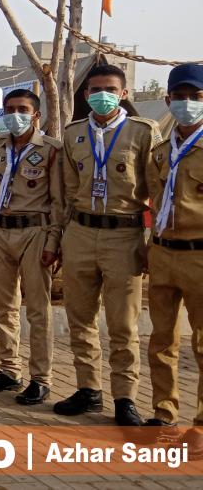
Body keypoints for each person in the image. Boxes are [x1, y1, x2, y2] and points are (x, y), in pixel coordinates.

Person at [56, 63, 160, 426]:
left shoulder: (144, 132)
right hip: (80, 233)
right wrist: (59, 239)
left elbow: (157, 192)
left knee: (122, 323)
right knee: (80, 317)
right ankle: (88, 389)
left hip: (125, 234)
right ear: (85, 95)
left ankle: (125, 397)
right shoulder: (73, 134)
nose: (103, 96)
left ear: (124, 94)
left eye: (110, 89)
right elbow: (67, 192)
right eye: (95, 89)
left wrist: (151, 243)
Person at [0, 89, 63, 405]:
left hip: (35, 232)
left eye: (22, 109)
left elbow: (57, 200)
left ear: (36, 114)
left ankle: (42, 378)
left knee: (38, 310)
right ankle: (9, 369)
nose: (15, 114)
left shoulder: (52, 149)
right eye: (10, 109)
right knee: (3, 307)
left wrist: (54, 241)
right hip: (0, 232)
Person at [146, 63, 203, 451]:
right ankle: (164, 413)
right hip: (163, 253)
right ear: (167, 100)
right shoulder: (161, 152)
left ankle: (200, 424)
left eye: (195, 98)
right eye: (179, 97)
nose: (186, 104)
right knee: (161, 340)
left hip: (200, 255)